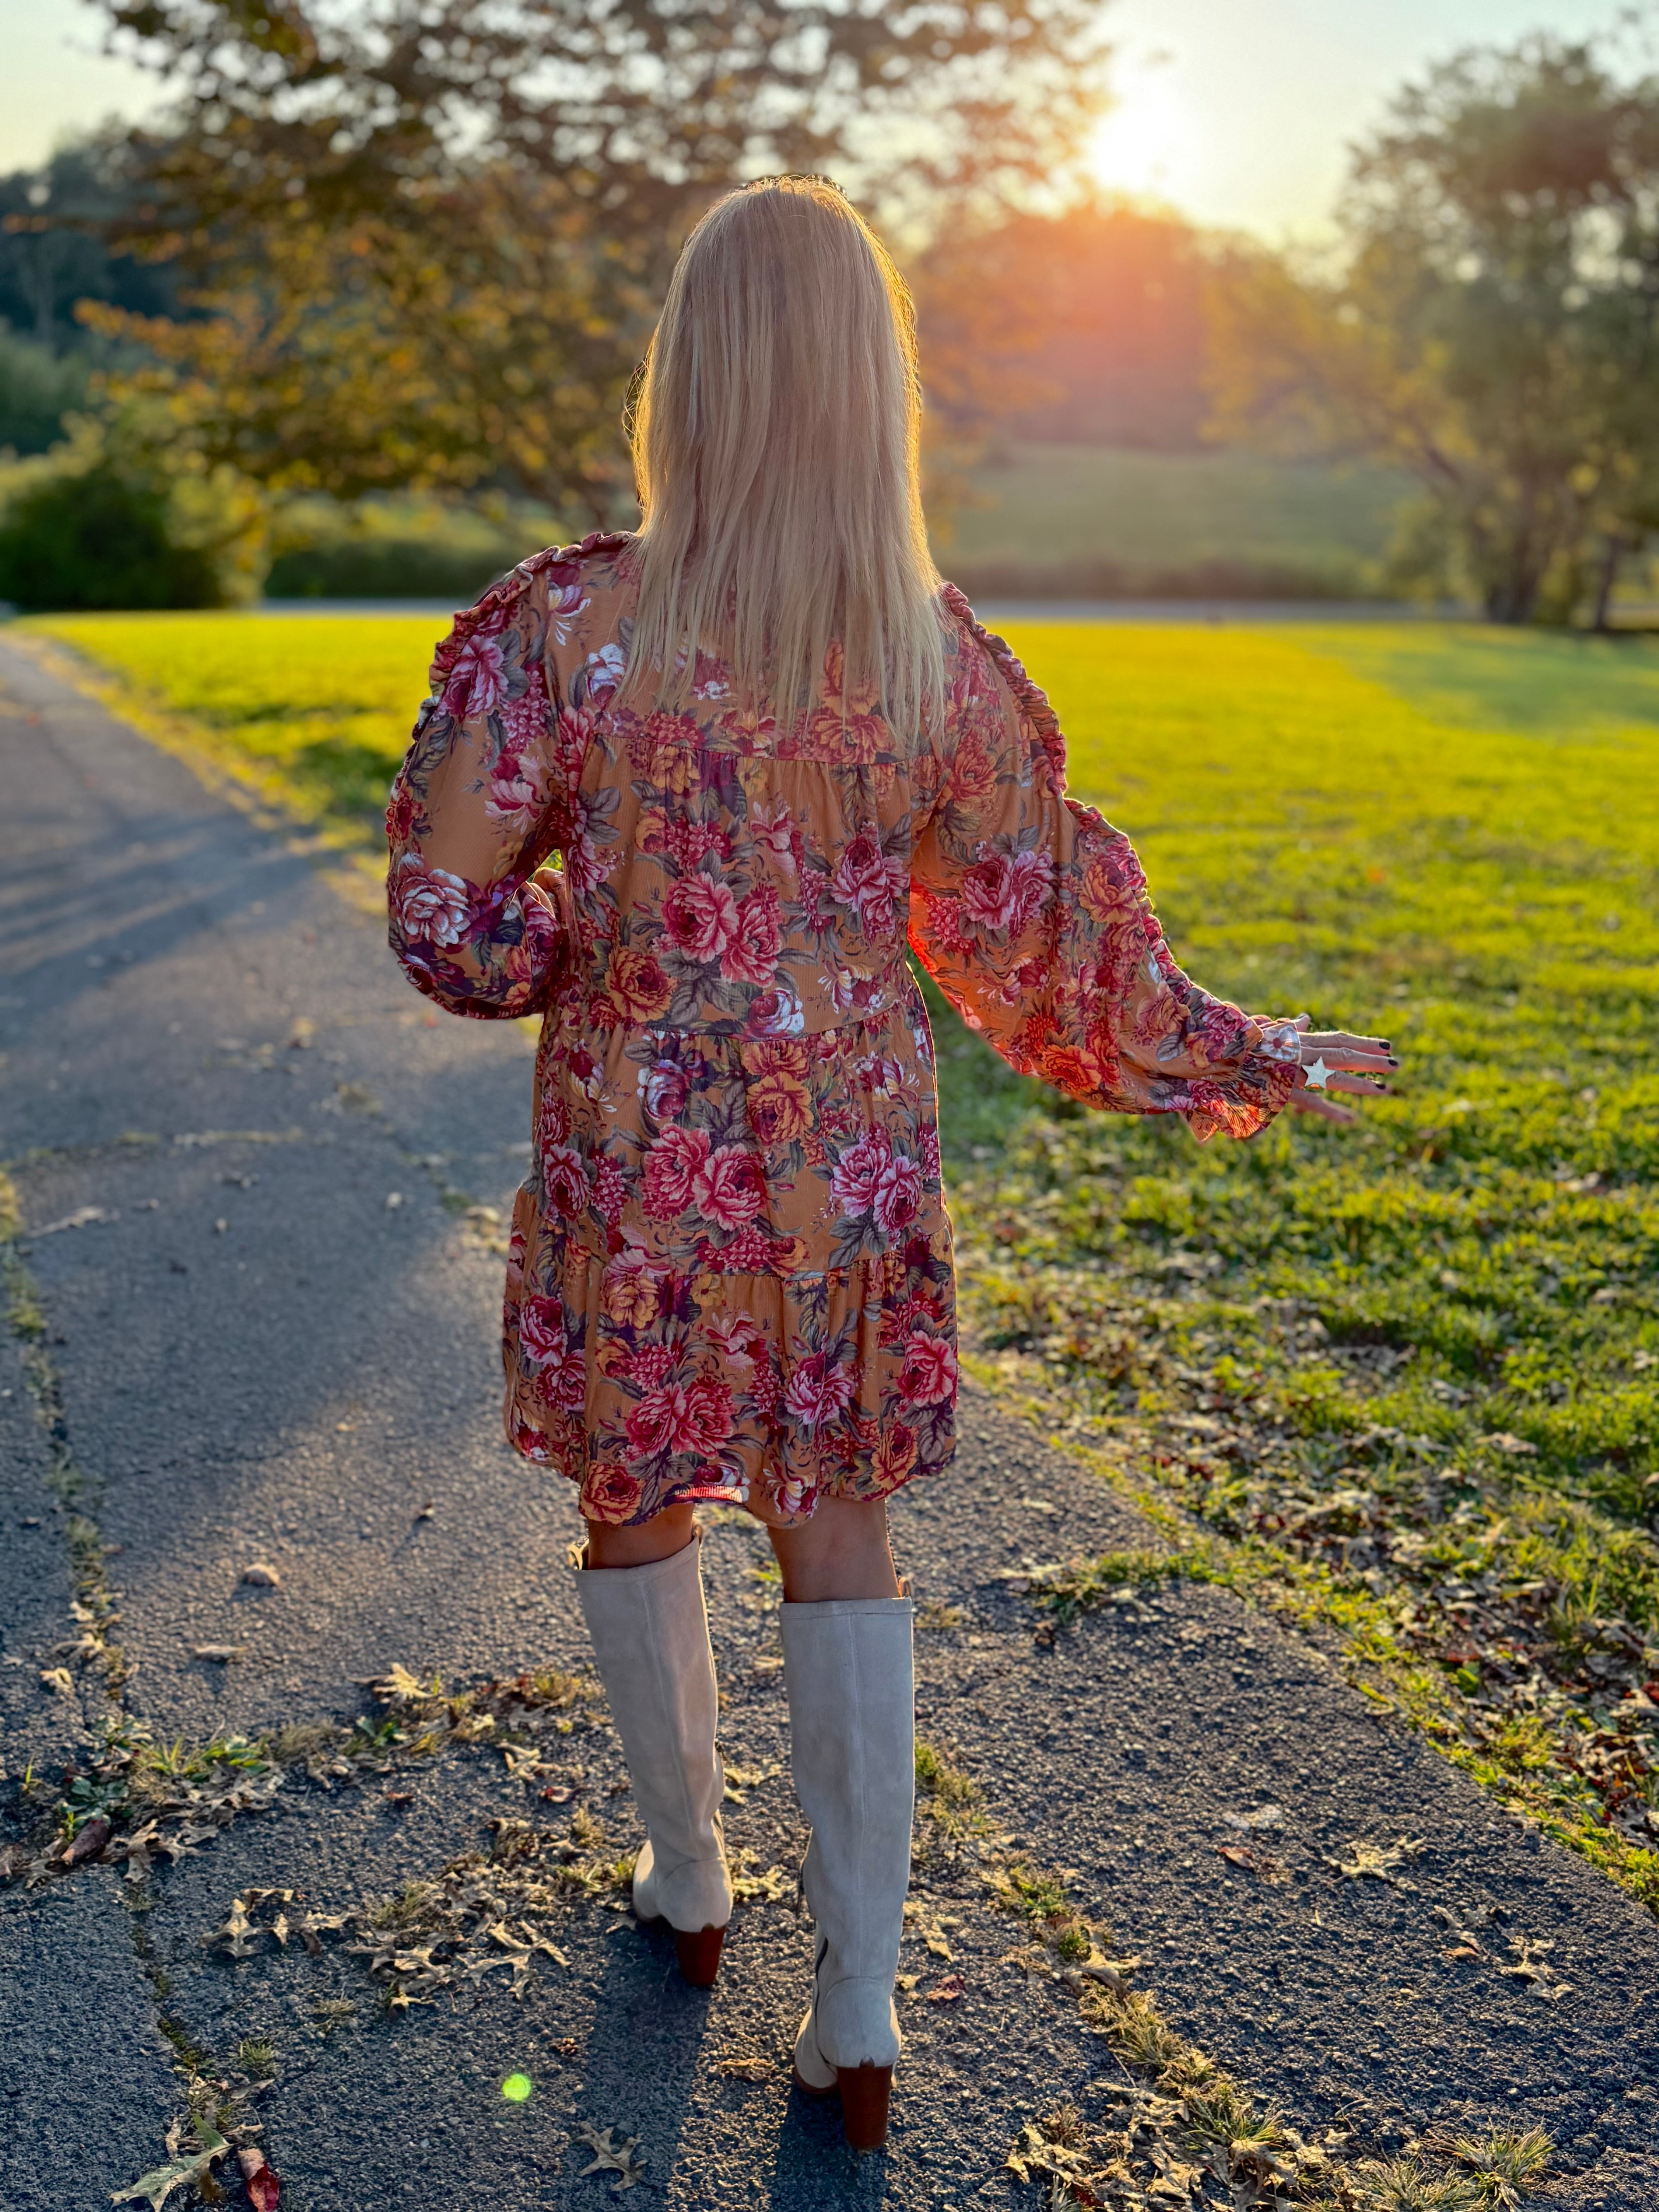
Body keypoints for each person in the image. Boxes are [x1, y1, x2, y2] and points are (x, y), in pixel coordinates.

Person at [385, 175, 1392, 2152]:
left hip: (634, 1154)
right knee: (834, 1525)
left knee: (637, 1497)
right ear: (873, 385)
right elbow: (1043, 930)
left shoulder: (569, 627)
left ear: (684, 376)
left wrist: (582, 942)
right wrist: (1238, 1048)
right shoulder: (925, 649)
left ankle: (689, 1887)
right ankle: (856, 2012)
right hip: (841, 1160)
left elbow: (450, 924)